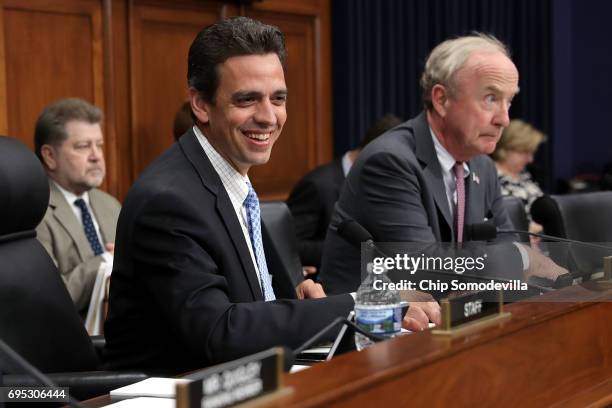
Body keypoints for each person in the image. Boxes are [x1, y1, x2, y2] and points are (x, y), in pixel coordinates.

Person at [103, 17, 439, 372]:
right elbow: (219, 332)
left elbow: (253, 305)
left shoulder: (226, 175)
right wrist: (361, 304)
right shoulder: (168, 200)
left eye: (278, 99)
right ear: (200, 104)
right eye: (247, 99)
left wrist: (300, 302)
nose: (268, 117)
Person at [319, 33, 567, 295]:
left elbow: (506, 249)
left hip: (452, 315)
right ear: (441, 100)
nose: (504, 119)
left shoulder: (482, 165)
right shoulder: (390, 161)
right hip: (371, 324)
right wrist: (525, 257)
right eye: (491, 98)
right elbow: (426, 268)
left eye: (509, 101)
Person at [34, 98, 120, 314]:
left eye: (99, 145)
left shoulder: (110, 204)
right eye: (83, 146)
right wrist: (105, 261)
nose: (96, 156)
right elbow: (49, 297)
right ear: (50, 156)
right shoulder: (35, 213)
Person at [286, 114, 401, 270]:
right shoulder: (317, 185)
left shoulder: (387, 185)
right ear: (372, 152)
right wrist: (347, 249)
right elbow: (288, 246)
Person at [491, 119, 545, 243]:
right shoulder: (491, 179)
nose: (530, 159)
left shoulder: (524, 176)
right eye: (525, 152)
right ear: (507, 147)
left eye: (532, 153)